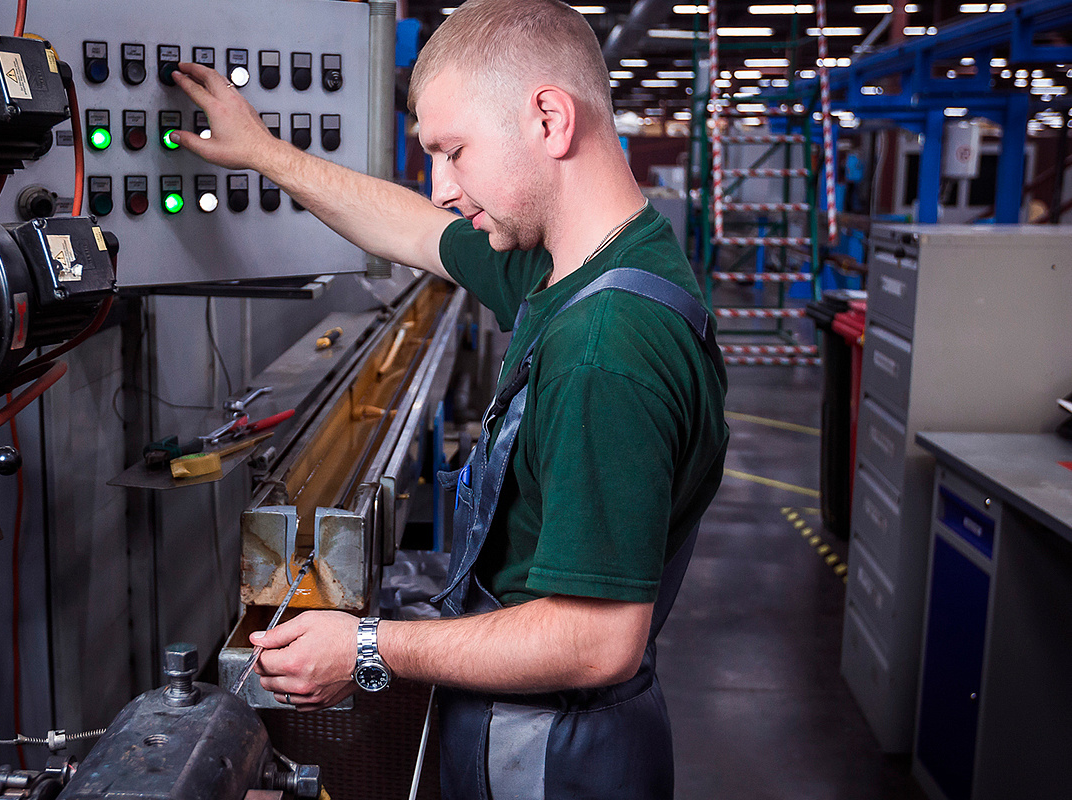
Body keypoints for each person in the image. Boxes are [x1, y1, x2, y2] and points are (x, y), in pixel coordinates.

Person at [170, 0, 728, 796]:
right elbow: (412, 230)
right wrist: (267, 154)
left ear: (549, 119)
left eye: (454, 151)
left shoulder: (606, 349)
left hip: (555, 759)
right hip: (529, 729)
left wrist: (368, 647)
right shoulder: (579, 267)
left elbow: (596, 639)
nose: (441, 187)